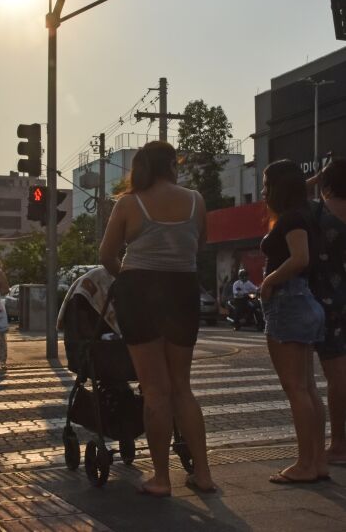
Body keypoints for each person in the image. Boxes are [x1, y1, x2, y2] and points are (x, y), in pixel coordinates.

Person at [100, 140, 214, 497]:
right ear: (171, 165)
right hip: (183, 291)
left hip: (139, 293)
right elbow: (200, 244)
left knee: (155, 390)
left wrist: (129, 276)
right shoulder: (196, 200)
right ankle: (204, 474)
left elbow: (106, 255)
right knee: (182, 386)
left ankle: (162, 478)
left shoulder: (129, 203)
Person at [260, 160, 326, 484]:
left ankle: (304, 465)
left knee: (297, 388)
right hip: (302, 301)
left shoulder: (291, 218)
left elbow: (300, 258)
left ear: (277, 188)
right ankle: (317, 462)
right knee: (308, 388)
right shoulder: (304, 213)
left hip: (289, 300)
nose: (262, 191)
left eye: (265, 184)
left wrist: (270, 279)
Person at [308, 159, 346, 464]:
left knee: (336, 377)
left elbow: (283, 200)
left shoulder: (318, 212)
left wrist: (314, 181)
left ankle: (339, 444)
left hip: (328, 301)